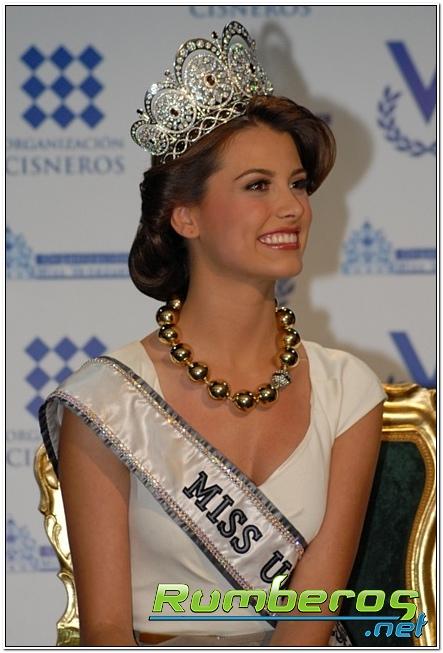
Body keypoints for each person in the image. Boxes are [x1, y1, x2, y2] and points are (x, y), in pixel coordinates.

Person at [39, 21, 386, 647]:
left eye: (297, 184)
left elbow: (311, 619)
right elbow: (107, 630)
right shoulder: (107, 401)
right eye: (257, 186)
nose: (293, 207)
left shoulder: (348, 391)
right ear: (186, 216)